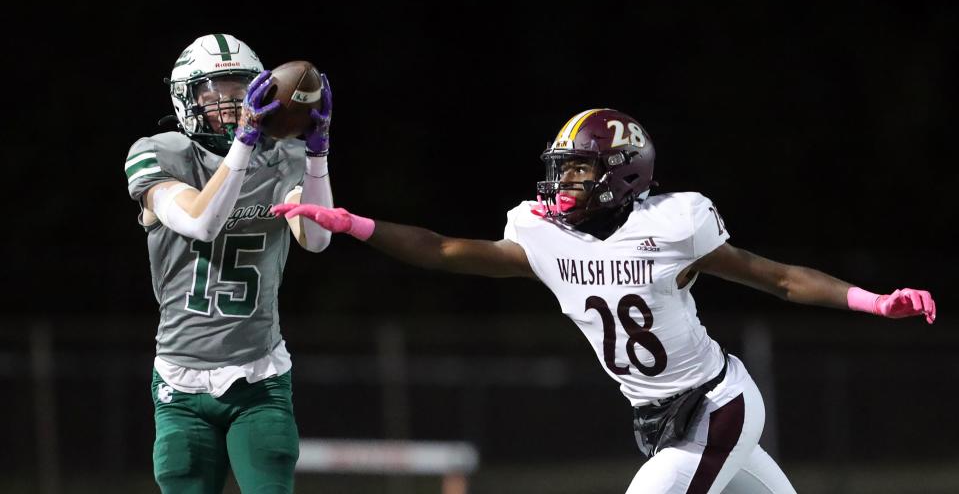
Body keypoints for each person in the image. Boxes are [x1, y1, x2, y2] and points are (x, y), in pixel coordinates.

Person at [272, 108, 936, 494]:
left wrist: (874, 303)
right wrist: (356, 225)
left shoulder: (674, 225)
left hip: (716, 406)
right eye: (561, 167)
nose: (562, 181)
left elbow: (779, 277)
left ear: (621, 173)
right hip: (659, 416)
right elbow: (445, 250)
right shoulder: (543, 235)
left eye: (579, 169)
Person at [125, 33, 335, 494]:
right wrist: (242, 143)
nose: (229, 101)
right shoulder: (160, 153)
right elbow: (202, 222)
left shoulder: (284, 159)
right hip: (180, 382)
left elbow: (317, 238)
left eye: (240, 87)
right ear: (186, 96)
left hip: (259, 375)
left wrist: (318, 155)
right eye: (213, 90)